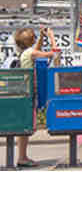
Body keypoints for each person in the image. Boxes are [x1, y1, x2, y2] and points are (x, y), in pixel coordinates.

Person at [13, 26, 58, 167]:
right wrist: (51, 36)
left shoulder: (26, 52)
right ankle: (22, 158)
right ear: (30, 40)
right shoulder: (31, 53)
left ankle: (22, 156)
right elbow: (54, 54)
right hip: (28, 95)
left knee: (25, 127)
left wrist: (42, 37)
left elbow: (36, 49)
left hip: (24, 93)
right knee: (25, 127)